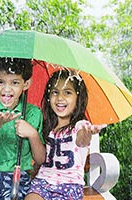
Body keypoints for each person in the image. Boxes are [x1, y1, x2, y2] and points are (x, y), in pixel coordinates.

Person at [0, 57, 45, 200]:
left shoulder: (33, 113)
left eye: (15, 82)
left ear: (26, 84)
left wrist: (33, 134)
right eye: (0, 82)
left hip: (18, 177)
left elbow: (40, 158)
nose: (7, 89)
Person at [25, 69, 107, 200]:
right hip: (42, 182)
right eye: (55, 92)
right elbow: (40, 157)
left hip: (70, 185)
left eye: (67, 92)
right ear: (48, 97)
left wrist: (87, 134)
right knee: (31, 198)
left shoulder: (79, 126)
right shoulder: (47, 127)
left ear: (78, 98)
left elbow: (81, 141)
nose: (60, 98)